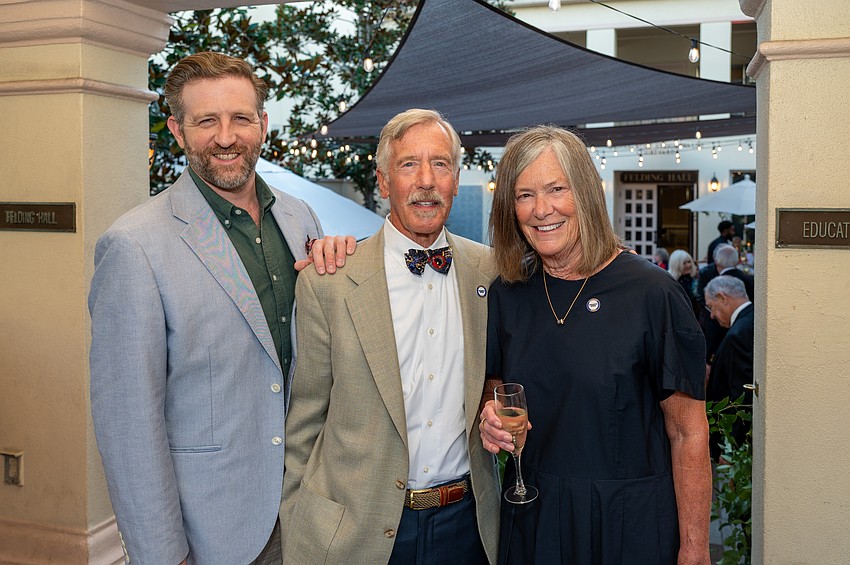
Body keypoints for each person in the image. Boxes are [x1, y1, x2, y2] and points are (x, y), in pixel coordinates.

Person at [89, 51, 353, 565]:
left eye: (240, 118)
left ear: (263, 124)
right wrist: (163, 555)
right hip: (213, 530)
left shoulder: (300, 219)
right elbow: (128, 427)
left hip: (309, 510)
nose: (226, 137)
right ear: (177, 130)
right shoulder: (135, 246)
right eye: (206, 121)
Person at [479, 125, 711, 564]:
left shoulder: (653, 294)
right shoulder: (508, 294)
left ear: (585, 193)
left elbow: (688, 431)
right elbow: (495, 387)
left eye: (556, 189)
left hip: (629, 522)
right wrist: (490, 417)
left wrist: (695, 549)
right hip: (535, 517)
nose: (541, 209)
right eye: (524, 195)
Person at [281, 109, 499, 564]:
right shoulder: (329, 281)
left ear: (456, 181)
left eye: (440, 164)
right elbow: (304, 422)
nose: (426, 181)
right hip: (356, 531)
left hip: (467, 527)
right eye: (408, 165)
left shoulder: (491, 273)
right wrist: (298, 520)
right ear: (383, 182)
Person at [704, 276, 754, 459]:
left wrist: (732, 447)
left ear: (722, 297)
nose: (711, 315)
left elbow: (742, 394)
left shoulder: (738, 334)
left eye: (711, 307)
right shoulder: (752, 318)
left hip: (737, 443)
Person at [668, 249, 700, 317]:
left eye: (689, 262)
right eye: (684, 263)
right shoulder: (671, 282)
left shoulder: (693, 279)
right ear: (677, 265)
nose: (688, 265)